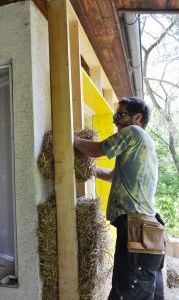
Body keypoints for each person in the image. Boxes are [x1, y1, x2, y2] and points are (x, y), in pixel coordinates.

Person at [74, 97, 165, 300]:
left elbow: (99, 149)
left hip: (136, 227)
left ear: (137, 118)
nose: (115, 121)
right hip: (147, 227)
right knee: (137, 291)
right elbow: (113, 175)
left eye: (120, 115)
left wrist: (71, 140)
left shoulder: (133, 132)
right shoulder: (142, 145)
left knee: (127, 292)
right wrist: (89, 169)